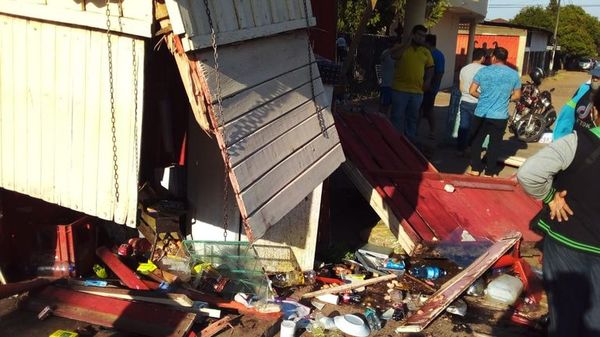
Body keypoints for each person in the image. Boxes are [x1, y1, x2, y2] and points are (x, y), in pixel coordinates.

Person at [516, 91, 600, 337]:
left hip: (567, 241)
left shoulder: (576, 142)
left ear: (594, 111)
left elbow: (528, 173)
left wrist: (551, 196)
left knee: (565, 315)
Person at [467, 47, 521, 176]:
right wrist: (505, 98)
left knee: (477, 141)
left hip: (481, 113)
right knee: (495, 144)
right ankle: (490, 171)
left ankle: (475, 169)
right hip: (500, 115)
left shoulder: (483, 71)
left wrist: (484, 97)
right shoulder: (514, 74)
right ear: (505, 59)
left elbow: (471, 91)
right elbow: (517, 96)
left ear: (494, 57)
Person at [389, 25, 434, 143]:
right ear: (413, 34)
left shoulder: (426, 52)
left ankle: (409, 142)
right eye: (419, 35)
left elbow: (430, 68)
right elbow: (394, 55)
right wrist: (405, 44)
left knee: (412, 118)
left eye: (423, 36)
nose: (421, 38)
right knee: (397, 117)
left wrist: (428, 80)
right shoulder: (401, 48)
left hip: (417, 91)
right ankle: (394, 140)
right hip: (400, 90)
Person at [553, 66, 600, 140]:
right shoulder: (584, 89)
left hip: (591, 140)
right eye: (593, 76)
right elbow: (570, 108)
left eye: (598, 78)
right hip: (574, 135)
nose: (594, 79)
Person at [456, 48, 486, 155]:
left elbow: (461, 86)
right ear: (482, 58)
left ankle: (460, 149)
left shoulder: (464, 69)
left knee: (463, 126)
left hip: (464, 101)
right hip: (478, 102)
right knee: (476, 128)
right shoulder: (484, 69)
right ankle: (471, 147)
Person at [419, 34, 445, 151]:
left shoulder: (436, 55)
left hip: (429, 88)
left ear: (428, 42)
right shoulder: (427, 53)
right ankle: (416, 129)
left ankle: (432, 131)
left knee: (428, 109)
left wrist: (433, 87)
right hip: (421, 86)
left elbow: (439, 73)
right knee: (420, 108)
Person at [378, 39, 397, 117]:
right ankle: (380, 119)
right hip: (386, 84)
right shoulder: (386, 53)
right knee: (384, 105)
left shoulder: (399, 54)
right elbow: (382, 57)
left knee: (394, 107)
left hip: (395, 85)